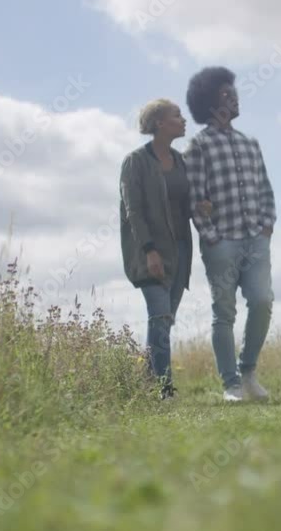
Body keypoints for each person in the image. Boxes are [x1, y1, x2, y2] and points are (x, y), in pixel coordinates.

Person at [183, 67, 277, 402]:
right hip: (221, 241)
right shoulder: (197, 146)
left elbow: (265, 189)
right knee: (224, 312)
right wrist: (210, 236)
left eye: (233, 92)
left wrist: (267, 226)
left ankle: (248, 371)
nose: (233, 97)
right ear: (209, 102)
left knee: (263, 301)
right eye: (225, 93)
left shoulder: (250, 144)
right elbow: (194, 197)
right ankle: (231, 384)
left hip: (255, 238)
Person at [120, 98, 210, 400]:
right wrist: (149, 250)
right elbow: (134, 211)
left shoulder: (180, 161)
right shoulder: (135, 162)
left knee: (164, 322)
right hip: (149, 252)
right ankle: (165, 390)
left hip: (181, 251)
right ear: (159, 122)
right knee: (159, 317)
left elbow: (182, 206)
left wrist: (200, 207)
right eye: (177, 116)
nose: (183, 121)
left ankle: (142, 383)